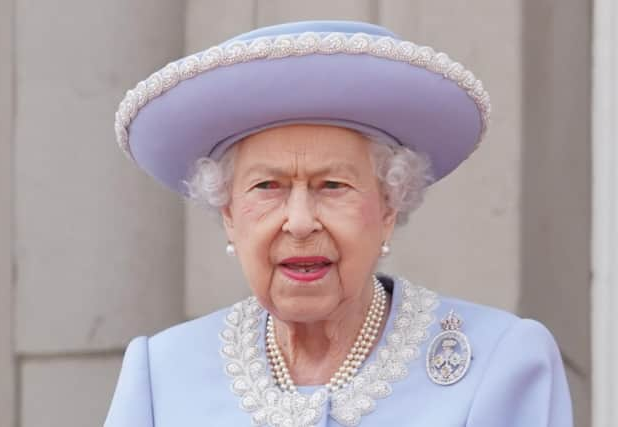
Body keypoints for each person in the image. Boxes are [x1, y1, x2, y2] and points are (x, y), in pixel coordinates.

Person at [105, 20, 572, 426]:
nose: (301, 221)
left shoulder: (497, 361)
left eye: (332, 186)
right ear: (228, 214)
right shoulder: (162, 373)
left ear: (389, 207)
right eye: (268, 186)